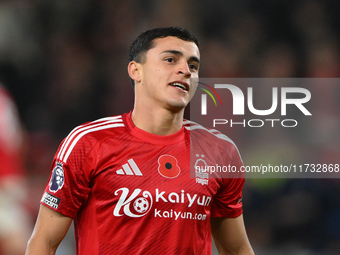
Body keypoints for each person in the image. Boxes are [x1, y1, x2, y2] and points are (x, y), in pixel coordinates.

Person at [25, 27, 254, 255]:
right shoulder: (88, 143)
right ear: (136, 71)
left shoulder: (220, 152)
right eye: (170, 60)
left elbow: (235, 249)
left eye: (193, 66)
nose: (185, 71)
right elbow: (44, 243)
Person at [0, 84, 31, 255]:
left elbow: (15, 142)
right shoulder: (3, 96)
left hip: (5, 181)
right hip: (8, 180)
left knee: (17, 243)